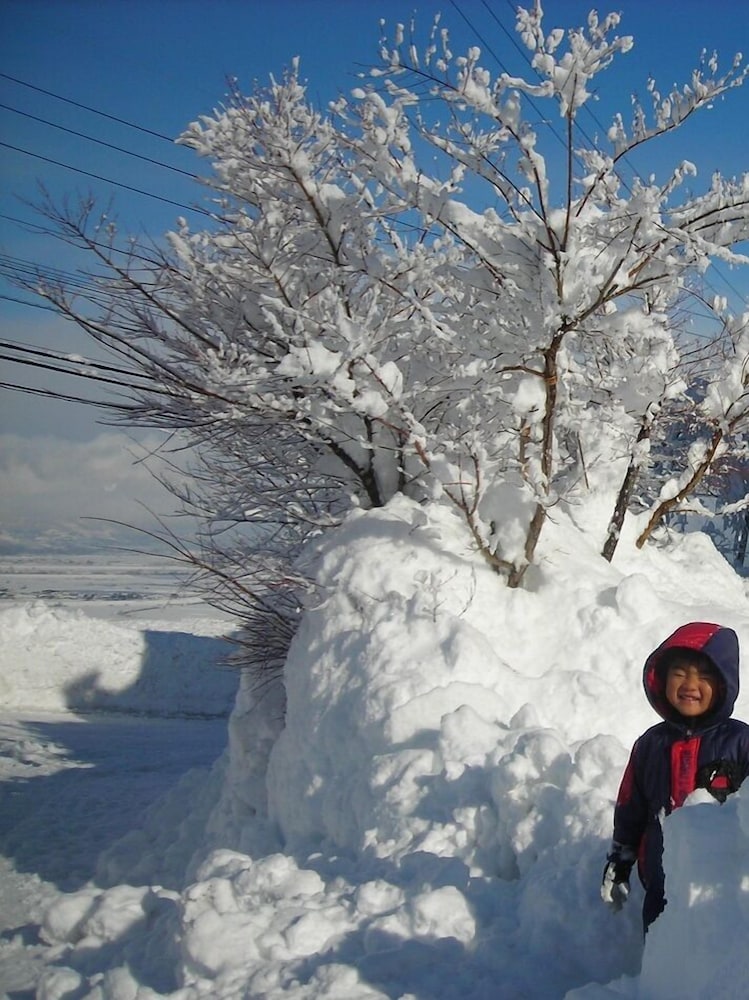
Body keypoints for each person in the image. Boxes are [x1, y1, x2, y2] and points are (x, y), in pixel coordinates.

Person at [601, 621, 749, 931]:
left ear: (724, 683)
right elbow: (632, 805)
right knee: (663, 955)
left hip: (720, 890)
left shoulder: (741, 742)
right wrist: (621, 858)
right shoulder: (651, 745)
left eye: (705, 675)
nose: (690, 684)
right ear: (662, 679)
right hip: (660, 881)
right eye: (679, 673)